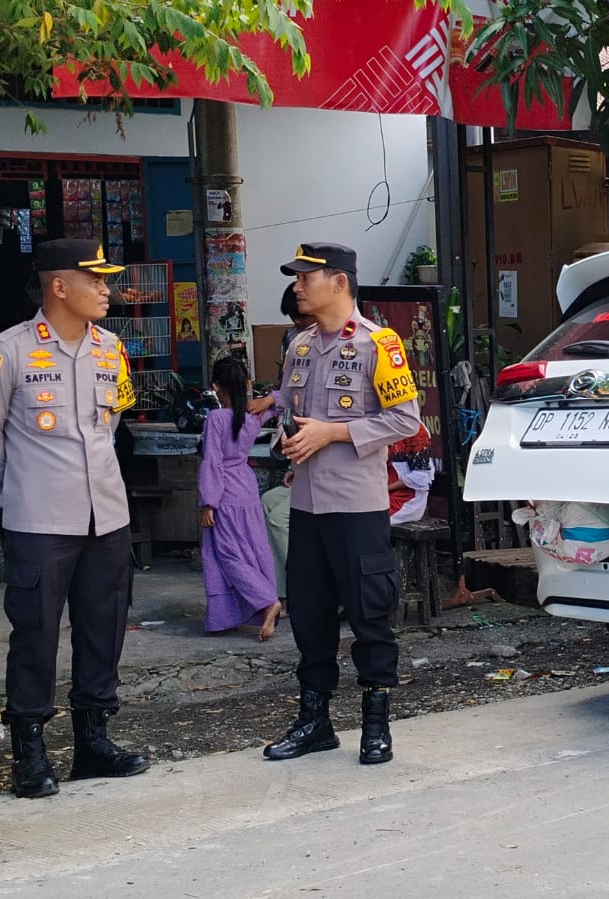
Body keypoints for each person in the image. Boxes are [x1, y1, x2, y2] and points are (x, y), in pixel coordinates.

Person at [0, 238, 151, 799]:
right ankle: (30, 754)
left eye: (107, 281)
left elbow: (111, 424)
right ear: (59, 286)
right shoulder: (7, 353)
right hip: (40, 521)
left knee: (103, 630)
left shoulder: (112, 348)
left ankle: (93, 743)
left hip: (107, 518)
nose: (106, 290)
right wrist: (16, 497)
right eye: (95, 281)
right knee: (36, 637)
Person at [248, 242, 422, 766]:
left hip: (356, 505)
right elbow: (291, 409)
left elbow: (406, 420)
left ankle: (375, 724)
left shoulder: (378, 344)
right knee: (310, 613)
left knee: (370, 614)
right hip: (307, 504)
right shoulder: (300, 346)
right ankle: (315, 721)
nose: (297, 286)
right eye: (297, 277)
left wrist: (332, 434)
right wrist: (293, 436)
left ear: (339, 282)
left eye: (306, 277)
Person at [199, 355, 283, 640]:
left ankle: (266, 601)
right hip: (246, 486)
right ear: (247, 384)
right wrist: (269, 399)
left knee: (227, 553)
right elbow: (289, 399)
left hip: (224, 491)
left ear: (215, 386)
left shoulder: (216, 418)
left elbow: (212, 460)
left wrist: (208, 501)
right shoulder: (253, 414)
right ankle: (248, 607)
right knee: (251, 548)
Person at [388, 425, 436, 525]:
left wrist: (384, 489)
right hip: (381, 495)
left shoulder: (416, 430)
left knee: (366, 521)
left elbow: (421, 476)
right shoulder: (380, 424)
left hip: (407, 499)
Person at [262, 467, 294, 605]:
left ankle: (296, 588)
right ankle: (279, 589)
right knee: (267, 500)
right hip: (308, 478)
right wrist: (293, 468)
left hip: (330, 481)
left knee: (277, 519)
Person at [277, 282, 318, 380]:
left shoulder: (332, 337)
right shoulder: (291, 335)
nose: (297, 321)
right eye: (293, 316)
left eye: (303, 317)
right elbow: (284, 375)